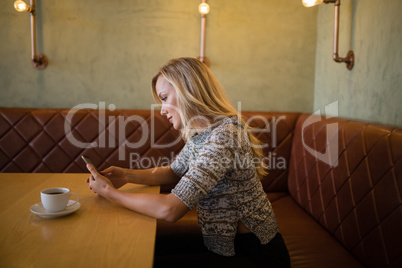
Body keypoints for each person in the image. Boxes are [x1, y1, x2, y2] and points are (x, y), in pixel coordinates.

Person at [85, 57, 290, 267]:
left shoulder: (225, 136)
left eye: (164, 98)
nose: (162, 109)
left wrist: (110, 193)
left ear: (188, 90)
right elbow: (174, 171)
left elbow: (170, 210)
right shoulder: (201, 134)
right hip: (222, 245)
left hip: (256, 254)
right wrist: (127, 175)